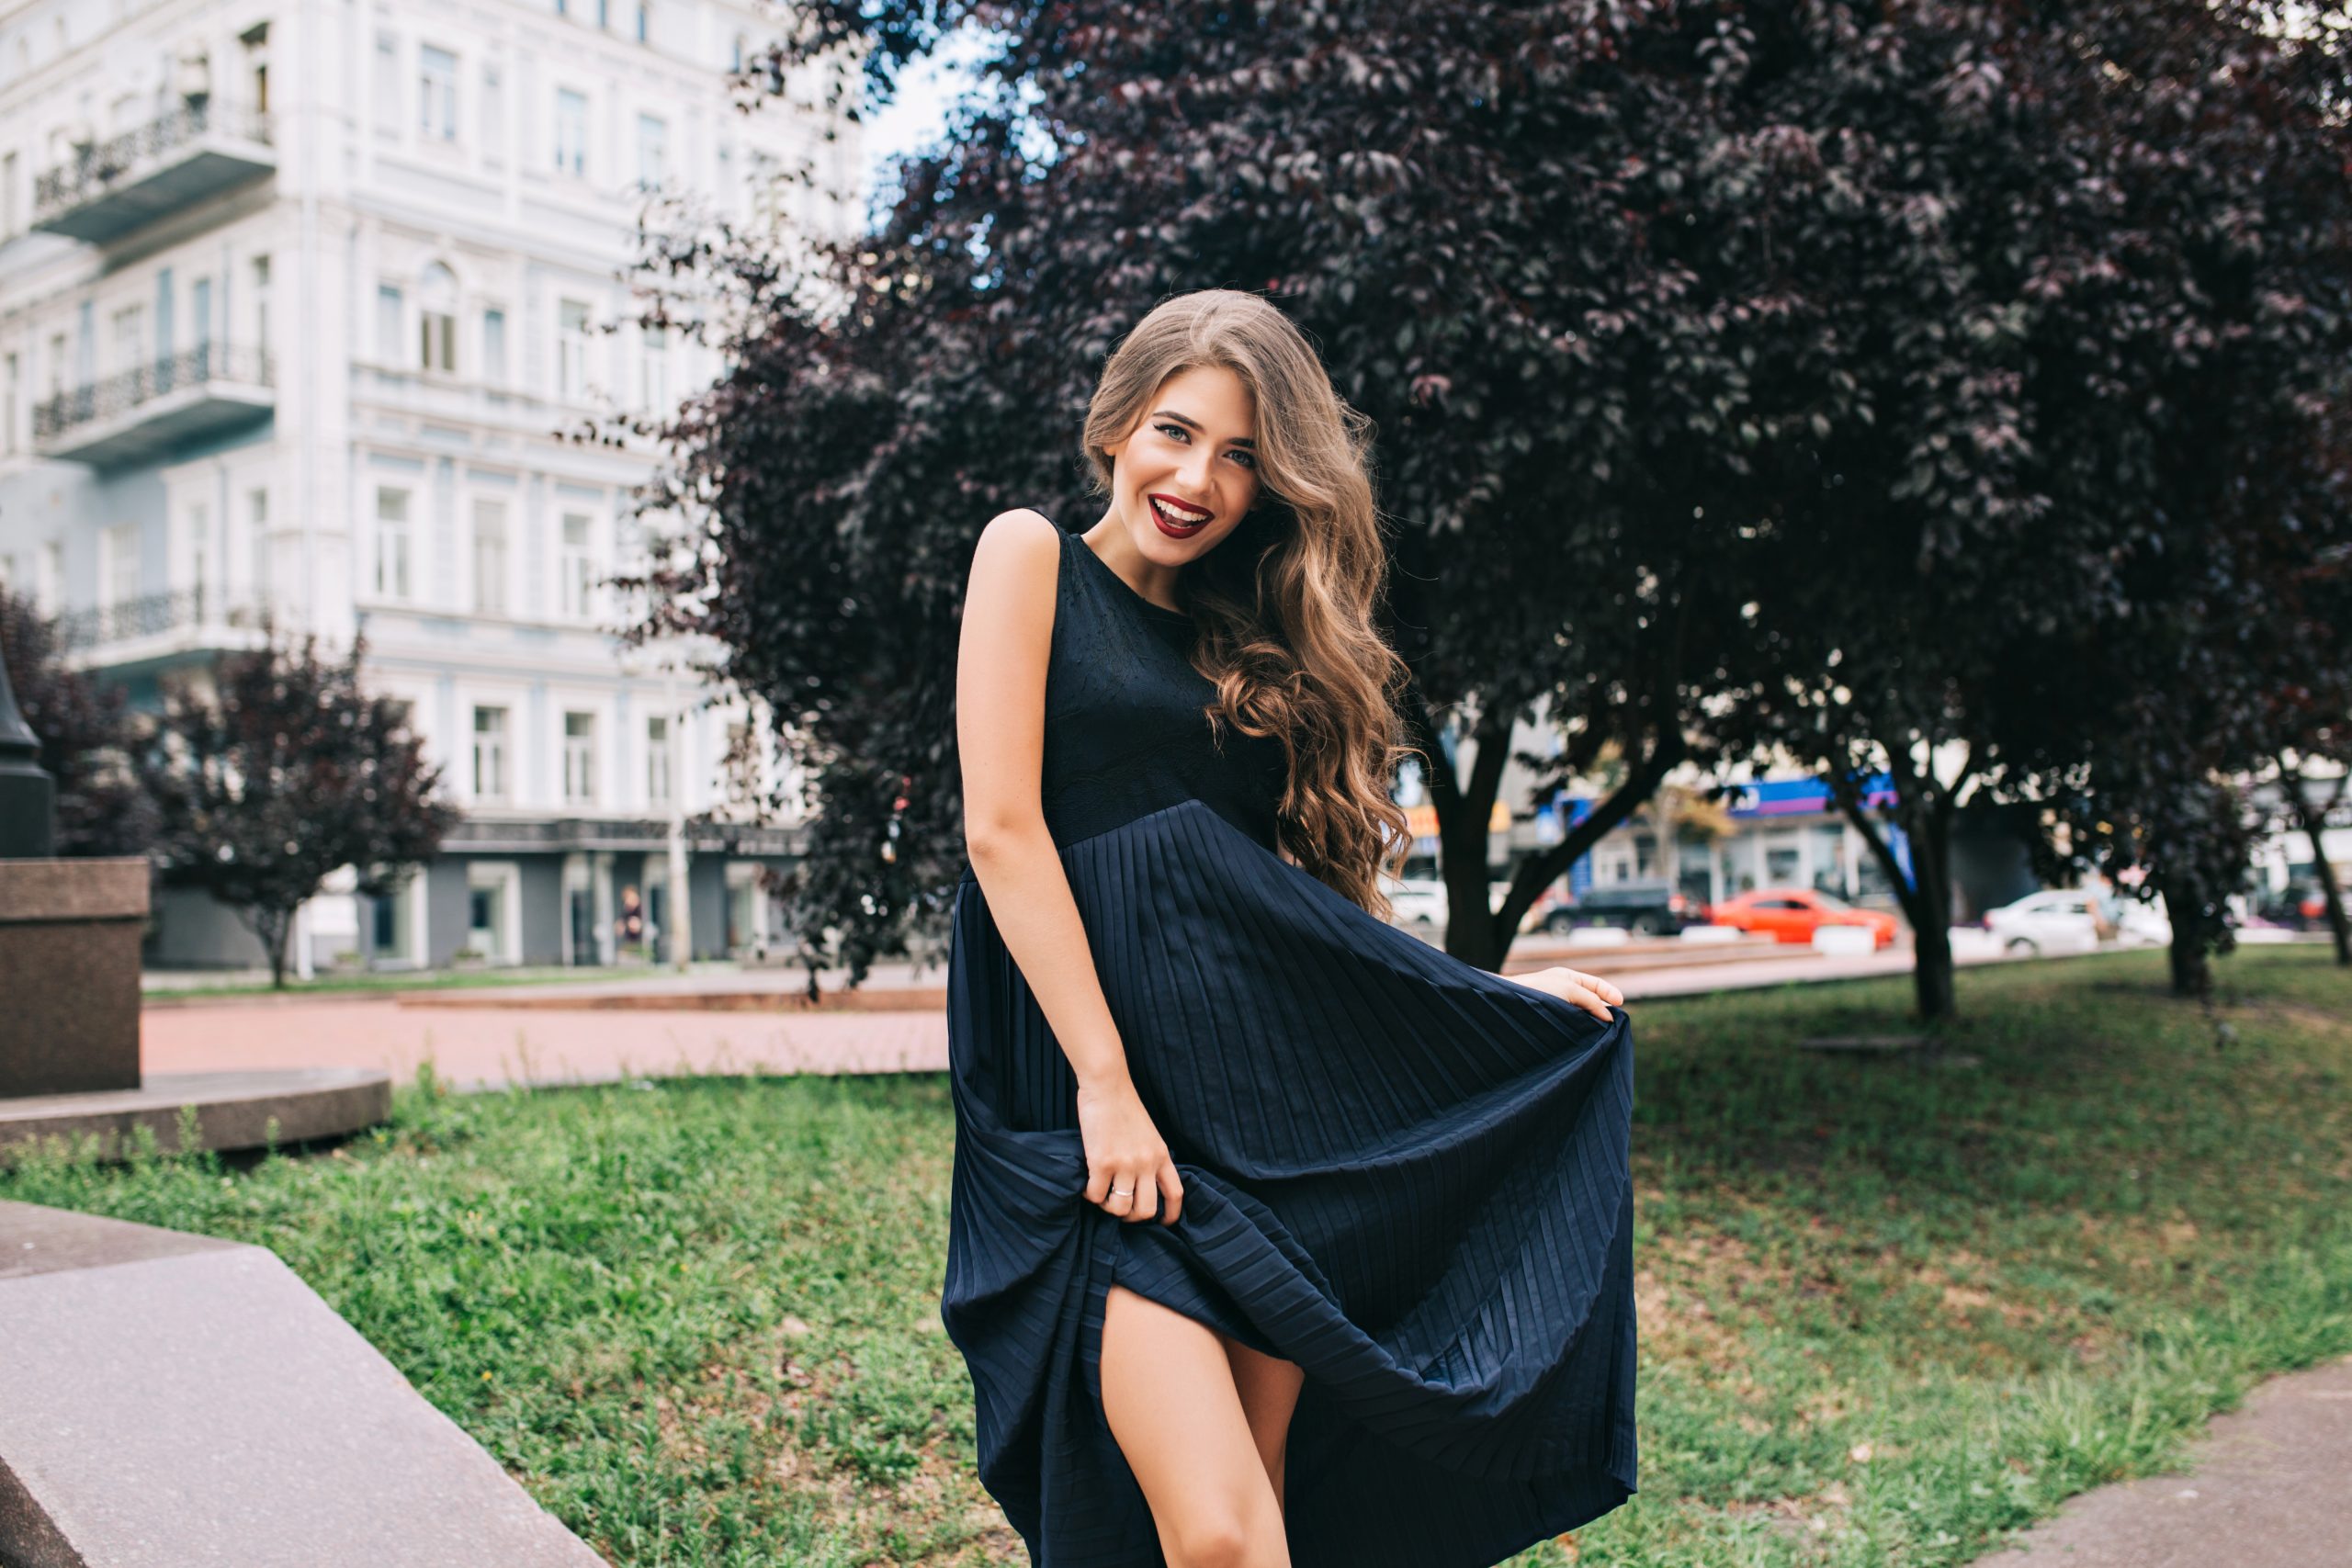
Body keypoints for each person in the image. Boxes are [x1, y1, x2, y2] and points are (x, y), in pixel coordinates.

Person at [945, 289, 1638, 1568]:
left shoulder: (1250, 645)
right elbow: (1001, 830)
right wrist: (1105, 1087)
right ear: (1117, 424)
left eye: (1244, 456)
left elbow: (1296, 916)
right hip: (1092, 1122)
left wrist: (1489, 999)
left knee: (1264, 1513)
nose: (1197, 476)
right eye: (1175, 430)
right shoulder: (1028, 557)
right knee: (1216, 1536)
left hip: (1256, 1125)